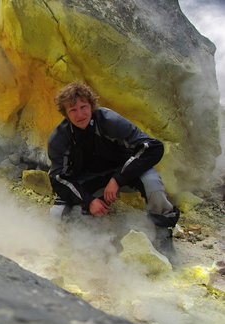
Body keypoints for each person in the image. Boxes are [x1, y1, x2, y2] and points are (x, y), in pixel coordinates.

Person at [47, 82, 180, 258]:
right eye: (72, 110)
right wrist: (89, 201)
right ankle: (88, 238)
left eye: (83, 107)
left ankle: (163, 234)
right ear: (65, 113)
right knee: (56, 214)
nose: (80, 114)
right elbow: (58, 179)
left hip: (125, 172)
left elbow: (152, 147)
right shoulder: (59, 138)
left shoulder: (109, 121)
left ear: (91, 105)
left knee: (152, 183)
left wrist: (118, 179)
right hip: (90, 180)